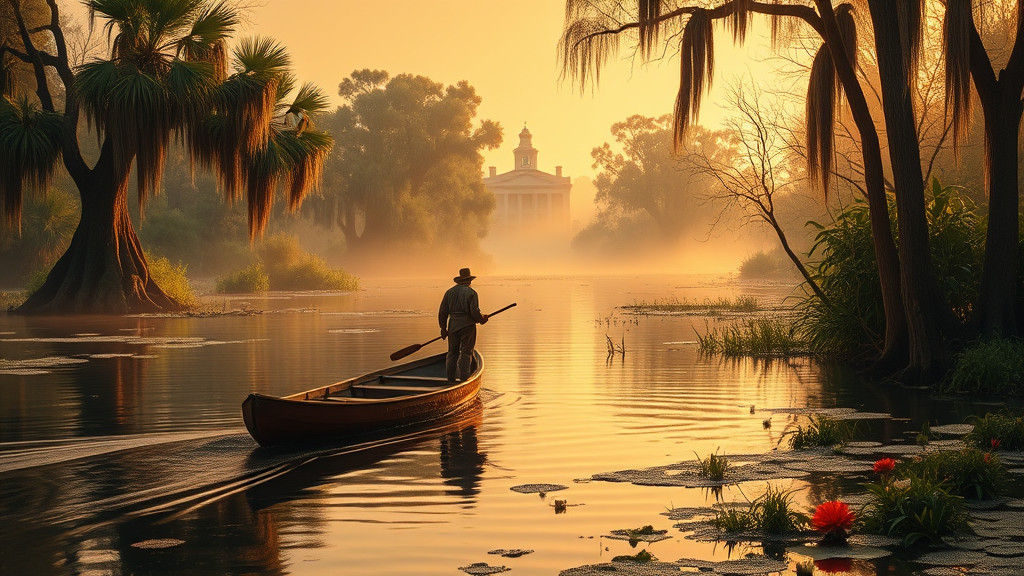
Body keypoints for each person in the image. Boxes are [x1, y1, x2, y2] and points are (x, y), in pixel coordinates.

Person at [438, 268, 488, 382]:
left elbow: (442, 312)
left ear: (459, 280)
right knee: (466, 353)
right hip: (467, 327)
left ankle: (450, 379)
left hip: (453, 327)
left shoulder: (449, 292)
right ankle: (464, 380)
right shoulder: (472, 293)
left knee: (452, 353)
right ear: (469, 280)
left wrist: (443, 328)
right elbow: (474, 313)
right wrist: (482, 319)